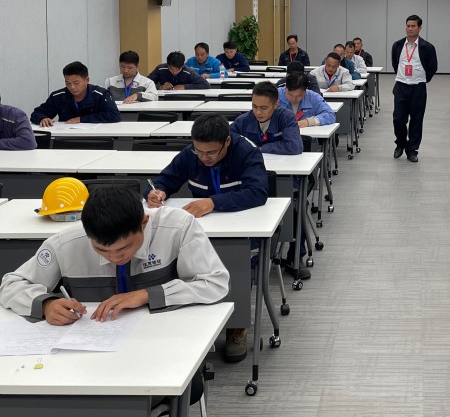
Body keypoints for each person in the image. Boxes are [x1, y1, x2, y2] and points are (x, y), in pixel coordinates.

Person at [0, 186, 229, 325]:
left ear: (144, 222)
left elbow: (215, 283)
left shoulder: (178, 227)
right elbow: (10, 285)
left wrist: (146, 295)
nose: (115, 257)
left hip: (164, 339)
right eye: (101, 250)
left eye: (123, 248)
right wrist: (46, 304)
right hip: (91, 343)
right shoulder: (65, 243)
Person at [145, 114, 268, 363]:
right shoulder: (190, 154)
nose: (204, 157)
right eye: (199, 151)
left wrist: (213, 202)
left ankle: (237, 326)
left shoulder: (246, 152)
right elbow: (166, 179)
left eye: (211, 152)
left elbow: (257, 192)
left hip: (242, 227)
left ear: (227, 142)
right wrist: (157, 191)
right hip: (200, 228)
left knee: (234, 262)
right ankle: (190, 322)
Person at [391, 14, 438, 162]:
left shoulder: (427, 47)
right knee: (398, 119)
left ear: (419, 28)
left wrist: (422, 80)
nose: (410, 29)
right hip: (401, 86)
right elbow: (395, 64)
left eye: (413, 26)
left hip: (418, 88)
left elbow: (432, 67)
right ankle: (400, 144)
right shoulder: (398, 45)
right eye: (408, 26)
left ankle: (412, 150)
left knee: (416, 120)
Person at [31, 61, 121, 126]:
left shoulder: (100, 94)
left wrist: (82, 119)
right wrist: (42, 118)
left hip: (95, 137)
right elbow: (36, 113)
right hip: (66, 137)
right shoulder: (58, 96)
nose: (72, 87)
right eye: (68, 83)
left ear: (87, 80)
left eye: (76, 83)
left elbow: (114, 115)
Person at [231, 81, 303, 156]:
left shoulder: (286, 118)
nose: (258, 112)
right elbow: (227, 141)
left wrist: (261, 148)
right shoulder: (242, 121)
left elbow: (294, 147)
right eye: (254, 106)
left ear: (276, 105)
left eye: (264, 108)